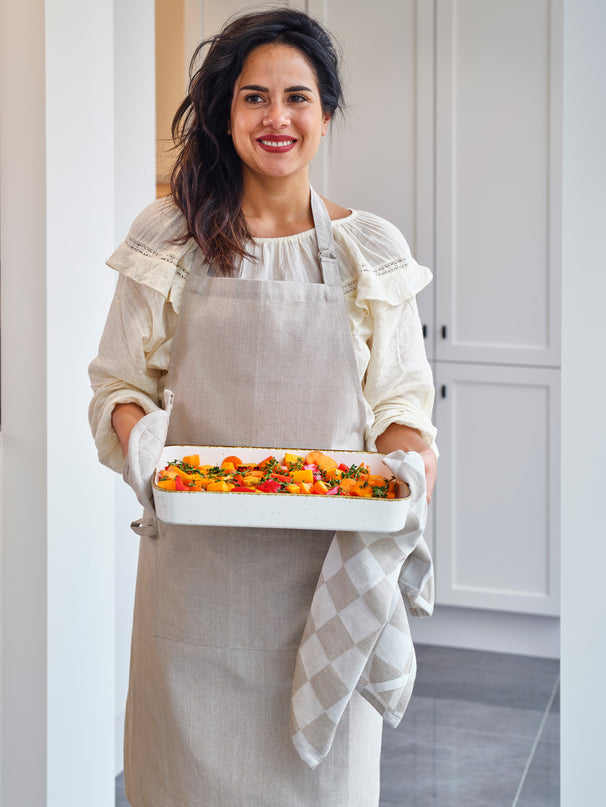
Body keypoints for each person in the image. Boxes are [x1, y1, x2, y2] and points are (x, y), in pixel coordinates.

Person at [89, 8, 437, 806]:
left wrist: (408, 463)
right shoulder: (170, 236)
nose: (276, 117)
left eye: (296, 97)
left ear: (326, 113)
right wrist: (146, 451)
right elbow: (118, 386)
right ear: (225, 113)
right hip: (196, 592)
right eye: (254, 97)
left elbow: (400, 403)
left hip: (327, 590)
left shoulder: (369, 250)